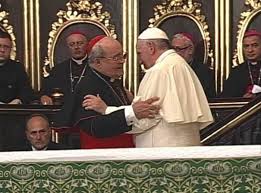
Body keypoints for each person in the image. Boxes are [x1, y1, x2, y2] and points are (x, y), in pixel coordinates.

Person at [84, 28, 213, 147]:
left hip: (162, 148)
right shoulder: (179, 64)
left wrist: (106, 110)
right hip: (182, 143)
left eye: (139, 53)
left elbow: (145, 118)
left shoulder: (158, 70)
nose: (140, 60)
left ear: (151, 47)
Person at [56, 35, 160, 149]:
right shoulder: (88, 86)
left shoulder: (113, 81)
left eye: (123, 56)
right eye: (116, 58)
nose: (122, 62)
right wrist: (131, 112)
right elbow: (94, 127)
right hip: (103, 153)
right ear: (98, 62)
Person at [40, 31, 89, 105]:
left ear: (87, 45)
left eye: (80, 43)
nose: (76, 47)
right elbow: (44, 91)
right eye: (72, 44)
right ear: (68, 48)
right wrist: (44, 96)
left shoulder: (96, 67)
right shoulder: (58, 69)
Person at [171, 32, 215, 98]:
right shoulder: (167, 69)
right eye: (172, 49)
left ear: (190, 49)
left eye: (178, 49)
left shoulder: (203, 72)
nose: (175, 53)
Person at [221, 29, 261, 98]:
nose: (250, 50)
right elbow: (226, 98)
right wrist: (242, 99)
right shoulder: (236, 72)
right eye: (246, 46)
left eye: (255, 45)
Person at [0, 30, 36, 104]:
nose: (2, 50)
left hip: (12, 112)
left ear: (11, 49)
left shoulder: (17, 68)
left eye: (6, 47)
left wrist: (19, 100)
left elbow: (28, 93)